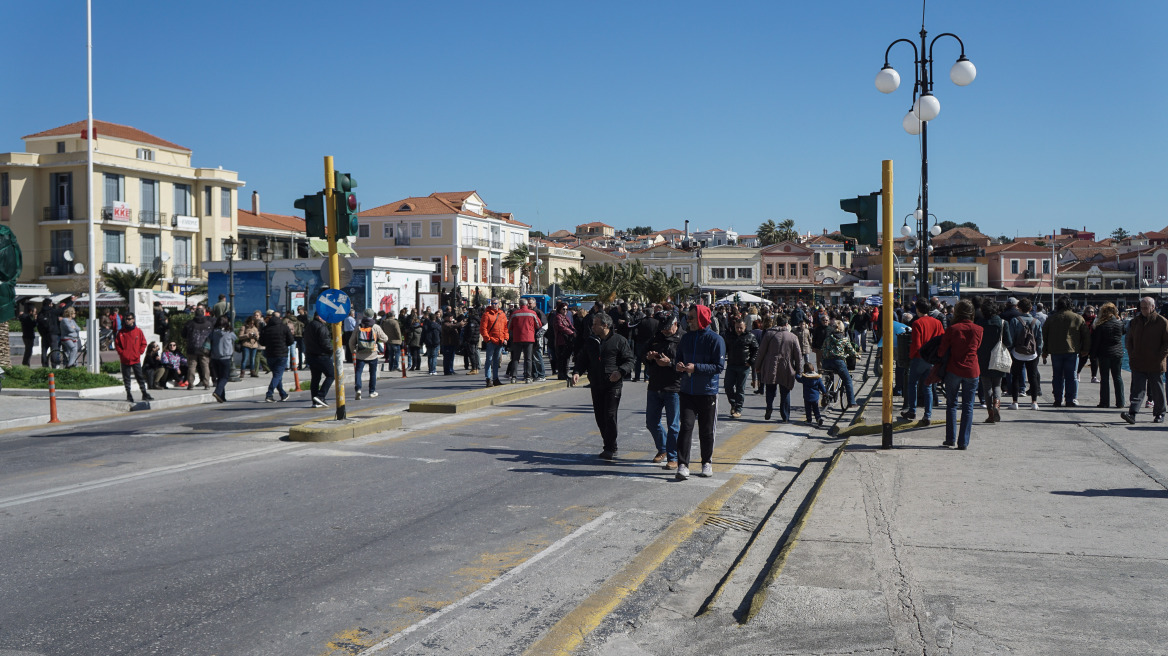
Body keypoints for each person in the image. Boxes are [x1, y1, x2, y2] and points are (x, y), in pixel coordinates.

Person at [572, 311, 634, 461]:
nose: (592, 327)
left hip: (613, 384)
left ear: (605, 325)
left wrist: (620, 372)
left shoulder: (620, 340)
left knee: (610, 415)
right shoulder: (591, 341)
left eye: (595, 324)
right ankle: (610, 444)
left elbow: (630, 361)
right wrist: (577, 372)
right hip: (596, 383)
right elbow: (582, 360)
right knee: (600, 417)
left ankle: (609, 448)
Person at [674, 305, 726, 480]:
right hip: (687, 391)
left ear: (702, 318)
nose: (687, 321)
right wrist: (679, 365)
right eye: (687, 317)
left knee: (706, 430)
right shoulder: (686, 338)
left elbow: (719, 367)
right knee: (686, 427)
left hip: (707, 392)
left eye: (691, 317)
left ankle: (706, 462)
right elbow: (678, 358)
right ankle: (682, 465)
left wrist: (696, 368)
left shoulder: (716, 340)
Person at [939, 299, 983, 450]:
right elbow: (977, 347)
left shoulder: (953, 329)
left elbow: (941, 351)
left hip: (954, 369)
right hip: (972, 370)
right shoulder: (978, 329)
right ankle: (963, 442)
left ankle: (950, 439)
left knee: (951, 404)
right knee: (968, 406)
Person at [644, 312, 683, 467]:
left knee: (673, 425)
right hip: (655, 385)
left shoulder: (684, 339)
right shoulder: (656, 337)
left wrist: (670, 363)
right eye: (662, 329)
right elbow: (642, 355)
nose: (665, 332)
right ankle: (663, 447)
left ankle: (673, 457)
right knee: (651, 422)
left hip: (674, 387)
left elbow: (686, 363)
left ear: (675, 324)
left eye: (667, 328)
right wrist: (649, 357)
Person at [1121, 296, 1168, 424]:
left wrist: (1160, 357)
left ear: (1153, 307)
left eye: (1146, 307)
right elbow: (1129, 340)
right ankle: (1132, 413)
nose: (1143, 310)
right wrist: (1131, 354)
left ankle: (1159, 413)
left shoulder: (1162, 322)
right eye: (1141, 307)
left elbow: (1166, 343)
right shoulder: (1135, 322)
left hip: (1155, 363)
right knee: (1137, 389)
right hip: (1138, 361)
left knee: (1157, 390)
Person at [900, 299, 945, 422]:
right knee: (928, 387)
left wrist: (912, 355)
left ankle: (912, 410)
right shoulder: (937, 323)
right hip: (932, 359)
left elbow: (916, 343)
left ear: (918, 310)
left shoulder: (917, 323)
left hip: (920, 357)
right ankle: (927, 414)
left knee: (912, 384)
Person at [1041, 296, 1090, 407]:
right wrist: (1085, 349)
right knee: (1071, 376)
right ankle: (1070, 399)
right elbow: (1086, 335)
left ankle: (1057, 399)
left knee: (1057, 376)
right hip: (1072, 351)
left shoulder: (1051, 318)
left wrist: (1045, 351)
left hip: (1056, 351)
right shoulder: (1077, 318)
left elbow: (1045, 336)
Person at [755, 315, 803, 422]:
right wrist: (799, 371)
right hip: (786, 367)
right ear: (787, 324)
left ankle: (769, 407)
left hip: (770, 366)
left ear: (776, 323)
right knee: (785, 392)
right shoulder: (792, 337)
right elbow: (798, 356)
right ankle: (785, 416)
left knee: (770, 389)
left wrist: (757, 366)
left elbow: (761, 352)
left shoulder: (768, 334)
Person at [1007, 297, 1043, 410]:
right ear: (1031, 308)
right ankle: (1034, 402)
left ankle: (1015, 402)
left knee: (1016, 376)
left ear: (1019, 308)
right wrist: (1039, 352)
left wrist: (1010, 350)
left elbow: (1011, 338)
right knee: (1033, 377)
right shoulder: (1036, 322)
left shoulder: (1015, 320)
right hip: (1032, 353)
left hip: (1017, 352)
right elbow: (1039, 340)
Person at [975, 298, 1007, 423]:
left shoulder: (979, 323)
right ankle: (996, 406)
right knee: (997, 384)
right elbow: (1008, 341)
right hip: (998, 356)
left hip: (983, 357)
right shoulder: (1002, 323)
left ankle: (990, 414)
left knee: (986, 386)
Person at [1090, 303, 1126, 408]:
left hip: (1104, 354)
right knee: (1118, 377)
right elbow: (1123, 333)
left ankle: (1105, 402)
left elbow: (1096, 342)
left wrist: (1093, 355)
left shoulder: (1101, 325)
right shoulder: (1120, 324)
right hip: (1118, 353)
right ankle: (1120, 402)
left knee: (1104, 378)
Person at [114, 312, 153, 403]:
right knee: (126, 378)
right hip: (125, 359)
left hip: (135, 359)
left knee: (140, 377)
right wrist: (122, 353)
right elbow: (117, 344)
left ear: (133, 320)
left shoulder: (138, 331)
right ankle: (128, 394)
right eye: (126, 319)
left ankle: (144, 393)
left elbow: (143, 343)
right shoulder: (121, 332)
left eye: (129, 319)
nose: (127, 321)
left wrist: (139, 352)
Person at [723, 316, 758, 419]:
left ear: (745, 327)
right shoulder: (729, 336)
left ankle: (738, 409)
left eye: (741, 328)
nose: (739, 330)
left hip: (744, 366)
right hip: (731, 365)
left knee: (740, 388)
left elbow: (756, 349)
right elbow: (725, 348)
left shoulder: (750, 336)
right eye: (737, 327)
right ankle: (733, 403)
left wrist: (751, 361)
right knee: (728, 386)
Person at [349, 308, 387, 399]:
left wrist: (353, 350)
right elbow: (385, 338)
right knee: (373, 373)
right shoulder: (375, 327)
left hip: (360, 354)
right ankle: (372, 391)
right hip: (372, 353)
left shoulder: (358, 326)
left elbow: (351, 341)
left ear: (364, 315)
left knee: (358, 372)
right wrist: (378, 339)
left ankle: (358, 389)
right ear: (372, 316)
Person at [821, 319, 858, 408]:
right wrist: (857, 355)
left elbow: (823, 349)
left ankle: (827, 392)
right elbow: (851, 351)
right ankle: (851, 402)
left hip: (826, 362)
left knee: (830, 375)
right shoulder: (844, 339)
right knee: (848, 380)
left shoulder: (828, 339)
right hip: (838, 362)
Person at [259, 309, 294, 402]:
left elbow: (261, 342)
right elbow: (291, 341)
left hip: (270, 354)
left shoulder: (266, 328)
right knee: (277, 375)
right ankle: (269, 394)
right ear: (280, 318)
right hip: (282, 354)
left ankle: (283, 394)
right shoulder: (284, 328)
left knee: (277, 375)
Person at [304, 311, 335, 408]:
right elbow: (325, 343)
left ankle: (315, 400)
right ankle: (321, 396)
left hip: (311, 355)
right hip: (322, 355)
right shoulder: (321, 327)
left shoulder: (309, 326)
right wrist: (331, 351)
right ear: (319, 317)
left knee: (315, 378)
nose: (326, 319)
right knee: (331, 375)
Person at [507, 299, 540, 383]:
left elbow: (509, 326)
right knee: (528, 358)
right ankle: (528, 377)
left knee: (515, 358)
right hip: (529, 338)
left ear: (519, 304)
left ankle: (513, 377)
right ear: (527, 304)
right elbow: (538, 325)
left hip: (517, 338)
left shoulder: (514, 314)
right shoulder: (532, 313)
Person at [182, 307, 214, 390]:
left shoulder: (189, 323)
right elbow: (212, 336)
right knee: (205, 366)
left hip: (192, 347)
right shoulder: (209, 324)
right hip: (205, 349)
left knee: (192, 366)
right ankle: (206, 384)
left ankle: (190, 384)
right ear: (203, 313)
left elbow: (183, 335)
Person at [480, 299, 509, 388]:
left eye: (495, 303)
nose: (494, 305)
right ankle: (488, 379)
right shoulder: (487, 314)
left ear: (499, 304)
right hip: (491, 341)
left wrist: (506, 338)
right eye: (492, 303)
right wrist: (487, 339)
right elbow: (483, 328)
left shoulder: (502, 314)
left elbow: (505, 328)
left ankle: (495, 379)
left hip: (500, 341)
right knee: (489, 360)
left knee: (496, 361)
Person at [209, 316, 237, 403]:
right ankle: (217, 392)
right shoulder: (229, 332)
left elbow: (209, 339)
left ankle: (221, 396)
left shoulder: (213, 332)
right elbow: (235, 338)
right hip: (225, 357)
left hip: (214, 357)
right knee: (225, 377)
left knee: (220, 377)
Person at [552, 302, 577, 380]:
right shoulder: (557, 317)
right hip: (561, 340)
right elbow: (560, 327)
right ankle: (561, 374)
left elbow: (571, 326)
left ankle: (565, 373)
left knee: (566, 358)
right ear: (560, 309)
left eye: (567, 309)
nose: (565, 310)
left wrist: (574, 331)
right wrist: (571, 332)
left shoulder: (566, 317)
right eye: (564, 309)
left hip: (567, 340)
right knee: (561, 358)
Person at [796, 363, 825, 427]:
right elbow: (821, 386)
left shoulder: (805, 378)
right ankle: (818, 418)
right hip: (815, 397)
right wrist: (824, 392)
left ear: (805, 370)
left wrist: (797, 374)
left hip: (807, 396)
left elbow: (799, 379)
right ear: (813, 369)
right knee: (816, 408)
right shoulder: (817, 378)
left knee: (808, 409)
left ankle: (809, 420)